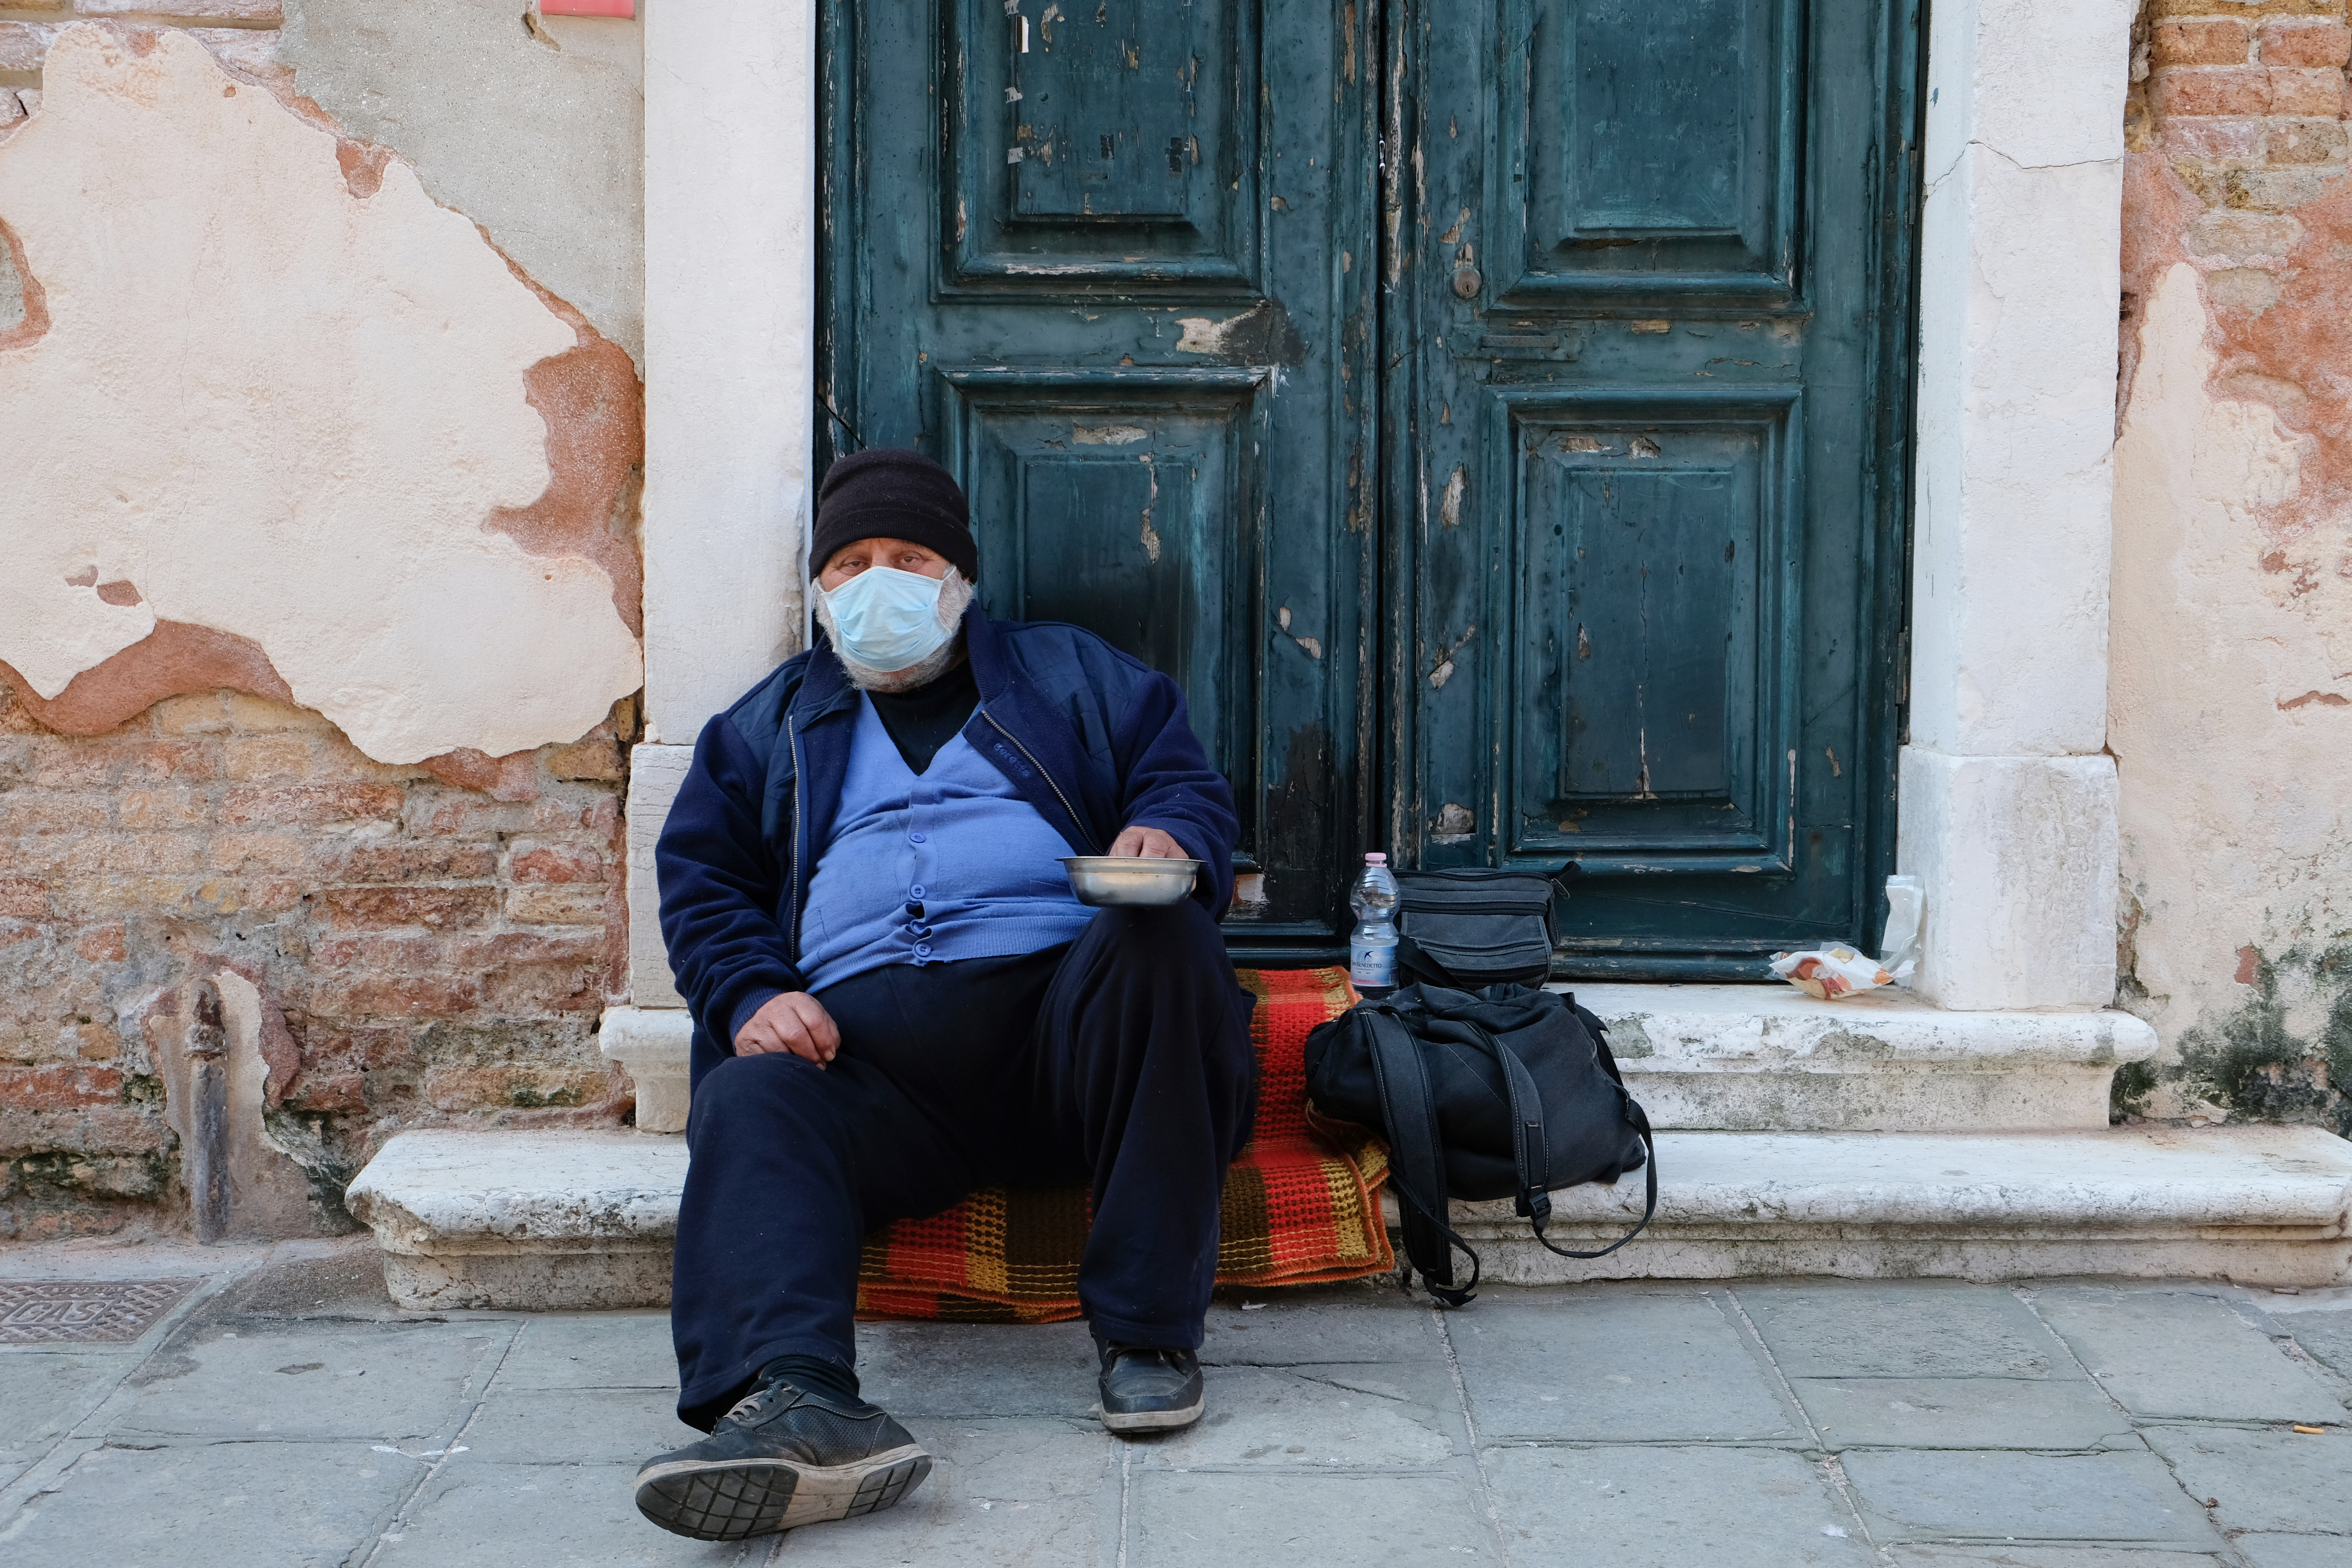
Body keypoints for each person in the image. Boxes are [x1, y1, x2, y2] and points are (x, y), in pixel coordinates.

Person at [634, 449, 1257, 1543]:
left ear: (959, 580)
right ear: (821, 592)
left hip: (1073, 1045)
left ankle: (1151, 1338)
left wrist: (1172, 834)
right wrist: (747, 994)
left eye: (909, 558)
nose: (880, 582)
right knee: (749, 1093)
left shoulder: (1071, 676)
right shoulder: (765, 726)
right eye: (853, 563)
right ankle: (803, 1402)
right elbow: (705, 884)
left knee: (1164, 943)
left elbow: (1180, 779)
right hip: (869, 1079)